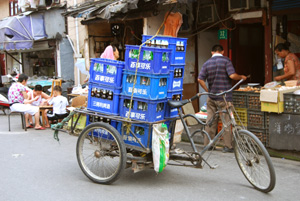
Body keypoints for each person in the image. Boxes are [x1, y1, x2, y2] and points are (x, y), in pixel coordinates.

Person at [198, 45, 247, 153]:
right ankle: (227, 146)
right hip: (224, 97)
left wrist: (207, 90)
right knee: (226, 121)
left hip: (211, 97)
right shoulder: (226, 61)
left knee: (210, 121)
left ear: (212, 52)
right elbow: (232, 76)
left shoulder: (207, 63)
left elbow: (200, 79)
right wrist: (241, 77)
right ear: (223, 51)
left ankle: (208, 144)